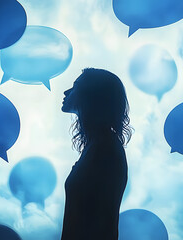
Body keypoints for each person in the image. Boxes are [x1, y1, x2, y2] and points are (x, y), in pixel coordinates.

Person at [61, 68, 132, 239]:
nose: (66, 91)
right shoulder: (98, 145)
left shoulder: (105, 147)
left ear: (91, 95)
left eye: (75, 86)